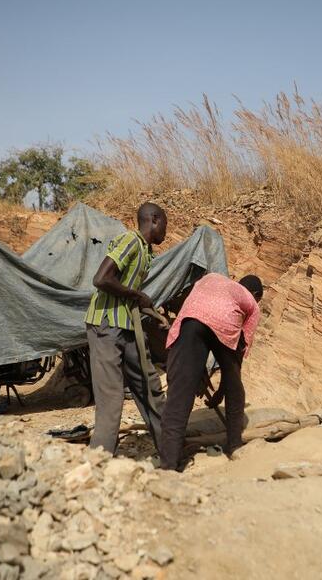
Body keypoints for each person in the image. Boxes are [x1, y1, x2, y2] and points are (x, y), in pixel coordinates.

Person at [85, 202, 167, 454]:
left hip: (128, 326)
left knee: (148, 384)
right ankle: (99, 461)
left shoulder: (146, 250)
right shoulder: (130, 241)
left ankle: (170, 447)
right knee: (111, 397)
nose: (166, 229)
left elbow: (128, 293)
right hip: (106, 325)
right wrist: (137, 295)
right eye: (164, 222)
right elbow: (101, 279)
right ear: (153, 219)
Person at [159, 273, 263, 471]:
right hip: (225, 324)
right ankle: (234, 446)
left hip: (191, 320)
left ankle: (168, 464)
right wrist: (223, 391)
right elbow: (235, 361)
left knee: (180, 396)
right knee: (236, 391)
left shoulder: (211, 278)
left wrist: (197, 373)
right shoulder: (250, 301)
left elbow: (193, 311)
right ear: (255, 294)